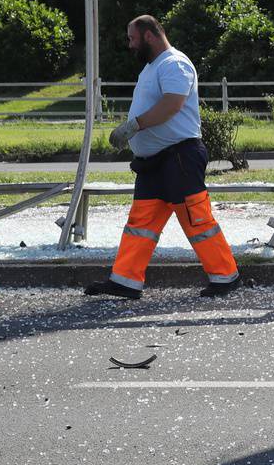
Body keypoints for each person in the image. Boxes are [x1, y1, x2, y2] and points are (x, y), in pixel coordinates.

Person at [83, 16, 240, 300]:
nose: (130, 45)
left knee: (196, 219)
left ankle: (226, 277)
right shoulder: (153, 67)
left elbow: (171, 105)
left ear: (149, 36)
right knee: (140, 223)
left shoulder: (174, 64)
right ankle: (126, 281)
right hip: (155, 161)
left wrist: (133, 126)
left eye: (132, 38)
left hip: (179, 157)